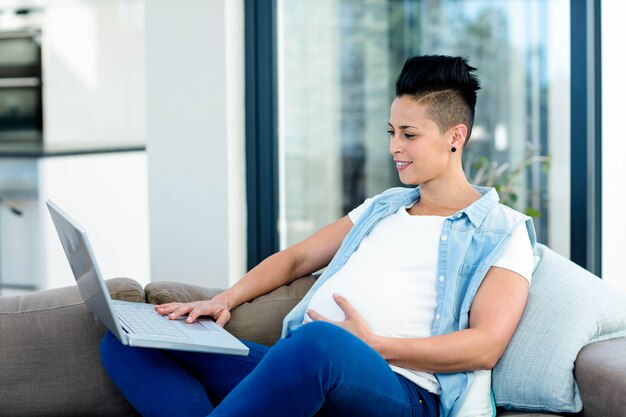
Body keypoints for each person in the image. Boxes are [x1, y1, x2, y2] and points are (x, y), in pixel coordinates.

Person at [100, 55, 536, 417]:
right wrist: (224, 300)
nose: (394, 147)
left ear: (455, 137)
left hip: (403, 390)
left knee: (321, 342)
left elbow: (486, 346)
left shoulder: (502, 230)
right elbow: (294, 260)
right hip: (299, 365)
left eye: (409, 135)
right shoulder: (383, 206)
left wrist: (375, 345)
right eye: (391, 132)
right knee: (129, 341)